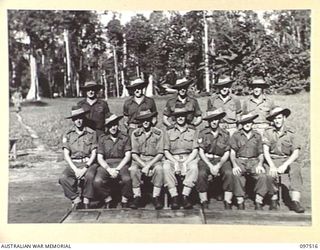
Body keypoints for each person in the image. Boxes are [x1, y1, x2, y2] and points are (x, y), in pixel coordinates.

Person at [263, 107, 304, 213]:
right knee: (269, 174)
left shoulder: (291, 132)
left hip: (288, 160)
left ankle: (295, 201)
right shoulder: (268, 132)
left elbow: (295, 153)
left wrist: (285, 165)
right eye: (275, 119)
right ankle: (274, 199)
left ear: (284, 118)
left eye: (279, 118)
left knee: (295, 169)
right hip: (273, 159)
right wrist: (272, 166)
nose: (277, 121)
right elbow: (266, 151)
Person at [59, 106, 98, 210]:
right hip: (74, 164)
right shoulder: (68, 134)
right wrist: (76, 170)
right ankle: (76, 199)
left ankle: (86, 200)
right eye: (76, 119)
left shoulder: (91, 133)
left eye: (80, 118)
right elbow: (66, 155)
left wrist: (85, 167)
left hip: (88, 162)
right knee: (63, 178)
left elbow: (94, 152)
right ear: (73, 120)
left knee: (89, 176)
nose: (79, 121)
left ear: (83, 118)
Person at [230, 112, 269, 210]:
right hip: (240, 160)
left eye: (249, 122)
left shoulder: (257, 135)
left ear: (252, 123)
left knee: (263, 176)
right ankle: (240, 202)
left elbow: (260, 153)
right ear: (241, 124)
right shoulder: (236, 135)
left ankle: (258, 201)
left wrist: (260, 164)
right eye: (244, 122)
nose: (247, 125)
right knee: (236, 174)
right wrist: (234, 165)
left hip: (254, 161)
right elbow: (232, 153)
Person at [196, 108, 233, 209]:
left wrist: (218, 165)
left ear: (219, 120)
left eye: (216, 119)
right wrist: (210, 165)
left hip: (221, 159)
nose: (213, 122)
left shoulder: (225, 134)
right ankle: (203, 200)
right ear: (208, 121)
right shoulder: (203, 133)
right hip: (206, 159)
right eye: (211, 120)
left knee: (229, 172)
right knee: (202, 173)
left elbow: (227, 152)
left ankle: (227, 201)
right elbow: (201, 152)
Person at [93, 114, 133, 208]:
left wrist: (118, 169)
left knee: (127, 179)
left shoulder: (125, 137)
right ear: (107, 127)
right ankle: (107, 199)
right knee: (97, 181)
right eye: (110, 126)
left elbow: (127, 156)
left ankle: (124, 199)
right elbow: (100, 157)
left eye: (115, 125)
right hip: (106, 164)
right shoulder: (102, 138)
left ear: (118, 125)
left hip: (121, 163)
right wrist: (109, 169)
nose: (113, 128)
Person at [163, 107, 199, 210]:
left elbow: (195, 150)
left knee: (193, 167)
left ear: (186, 117)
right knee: (166, 167)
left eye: (182, 115)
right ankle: (174, 196)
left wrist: (185, 163)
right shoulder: (169, 131)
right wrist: (175, 162)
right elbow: (166, 150)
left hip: (189, 157)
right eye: (178, 116)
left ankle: (185, 196)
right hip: (172, 158)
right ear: (175, 117)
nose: (180, 118)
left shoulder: (193, 130)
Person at [129, 109, 164, 210]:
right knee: (133, 170)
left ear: (151, 120)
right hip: (139, 160)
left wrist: (148, 165)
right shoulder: (135, 134)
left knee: (159, 169)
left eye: (147, 119)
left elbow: (160, 153)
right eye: (143, 119)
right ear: (140, 121)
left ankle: (156, 196)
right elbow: (134, 154)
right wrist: (144, 165)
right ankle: (137, 196)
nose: (145, 122)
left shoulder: (158, 133)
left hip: (154, 159)